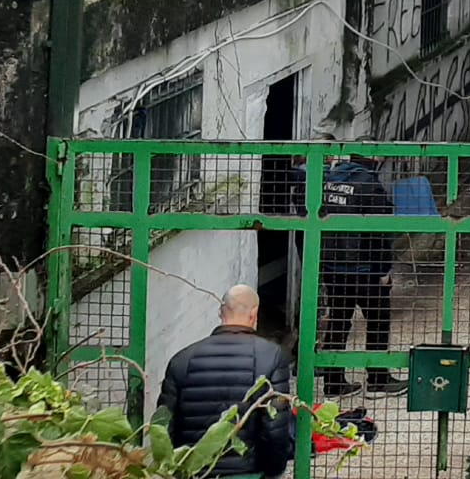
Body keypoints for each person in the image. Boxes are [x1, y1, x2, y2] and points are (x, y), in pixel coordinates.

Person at [158, 285, 295, 477]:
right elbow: (275, 427)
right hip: (247, 472)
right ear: (254, 313)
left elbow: (165, 427)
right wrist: (272, 471)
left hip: (194, 472)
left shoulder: (182, 359)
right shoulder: (271, 356)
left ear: (221, 313)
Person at [313, 146, 405, 398]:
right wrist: (384, 269)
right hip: (365, 268)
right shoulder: (369, 184)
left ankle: (333, 383)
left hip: (333, 268)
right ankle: (377, 380)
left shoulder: (328, 182)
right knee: (377, 320)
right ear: (374, 159)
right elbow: (380, 232)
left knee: (339, 321)